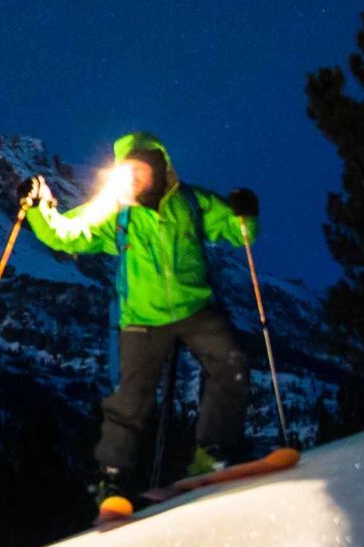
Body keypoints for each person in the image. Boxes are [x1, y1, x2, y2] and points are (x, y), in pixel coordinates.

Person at [21, 131, 261, 509]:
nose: (133, 177)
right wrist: (38, 210)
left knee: (231, 367)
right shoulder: (116, 213)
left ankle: (212, 452)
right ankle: (111, 481)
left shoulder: (192, 202)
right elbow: (66, 233)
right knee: (130, 401)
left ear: (159, 167)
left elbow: (238, 232)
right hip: (142, 319)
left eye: (140, 169)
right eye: (127, 170)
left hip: (196, 307)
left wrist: (245, 213)